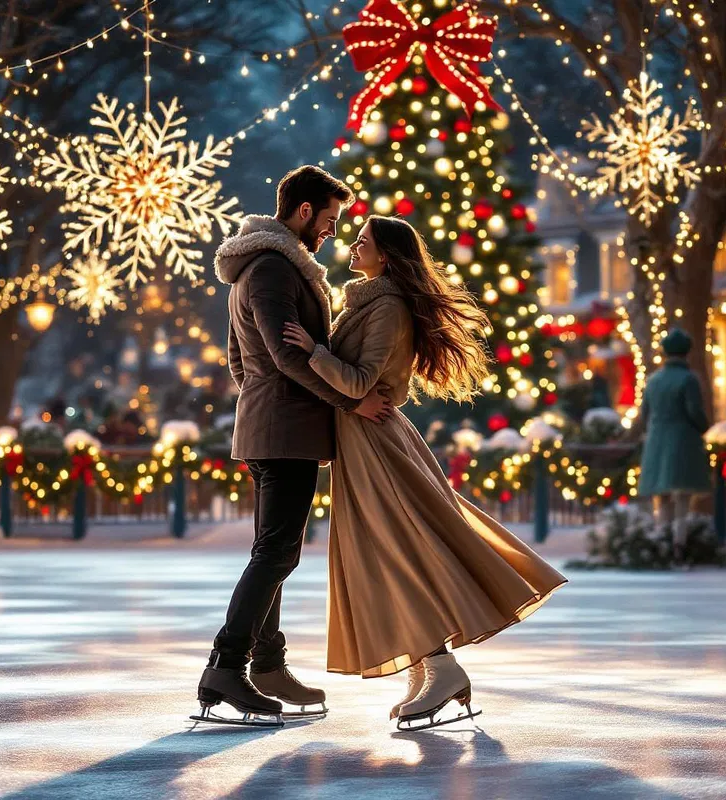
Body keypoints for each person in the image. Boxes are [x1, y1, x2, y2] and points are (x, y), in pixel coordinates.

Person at [283, 215, 567, 730]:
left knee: (400, 546)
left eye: (363, 242)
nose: (352, 245)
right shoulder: (370, 301)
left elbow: (361, 381)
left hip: (376, 445)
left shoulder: (386, 307)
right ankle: (424, 665)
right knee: (386, 550)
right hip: (362, 441)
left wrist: (313, 352)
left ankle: (440, 665)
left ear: (385, 255)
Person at [194, 166, 393, 726]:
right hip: (285, 429)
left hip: (277, 422)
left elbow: (241, 360)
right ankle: (226, 667)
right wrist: (348, 402)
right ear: (303, 211)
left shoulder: (264, 268)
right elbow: (282, 355)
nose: (332, 231)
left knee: (273, 550)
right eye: (329, 220)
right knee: (277, 552)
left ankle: (267, 663)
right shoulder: (272, 269)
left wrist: (262, 395)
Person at [638, 328, 711, 565]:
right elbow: (694, 411)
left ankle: (661, 542)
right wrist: (704, 426)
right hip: (682, 441)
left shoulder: (654, 380)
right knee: (682, 497)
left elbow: (644, 413)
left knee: (663, 497)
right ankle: (679, 546)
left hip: (656, 441)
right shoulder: (688, 379)